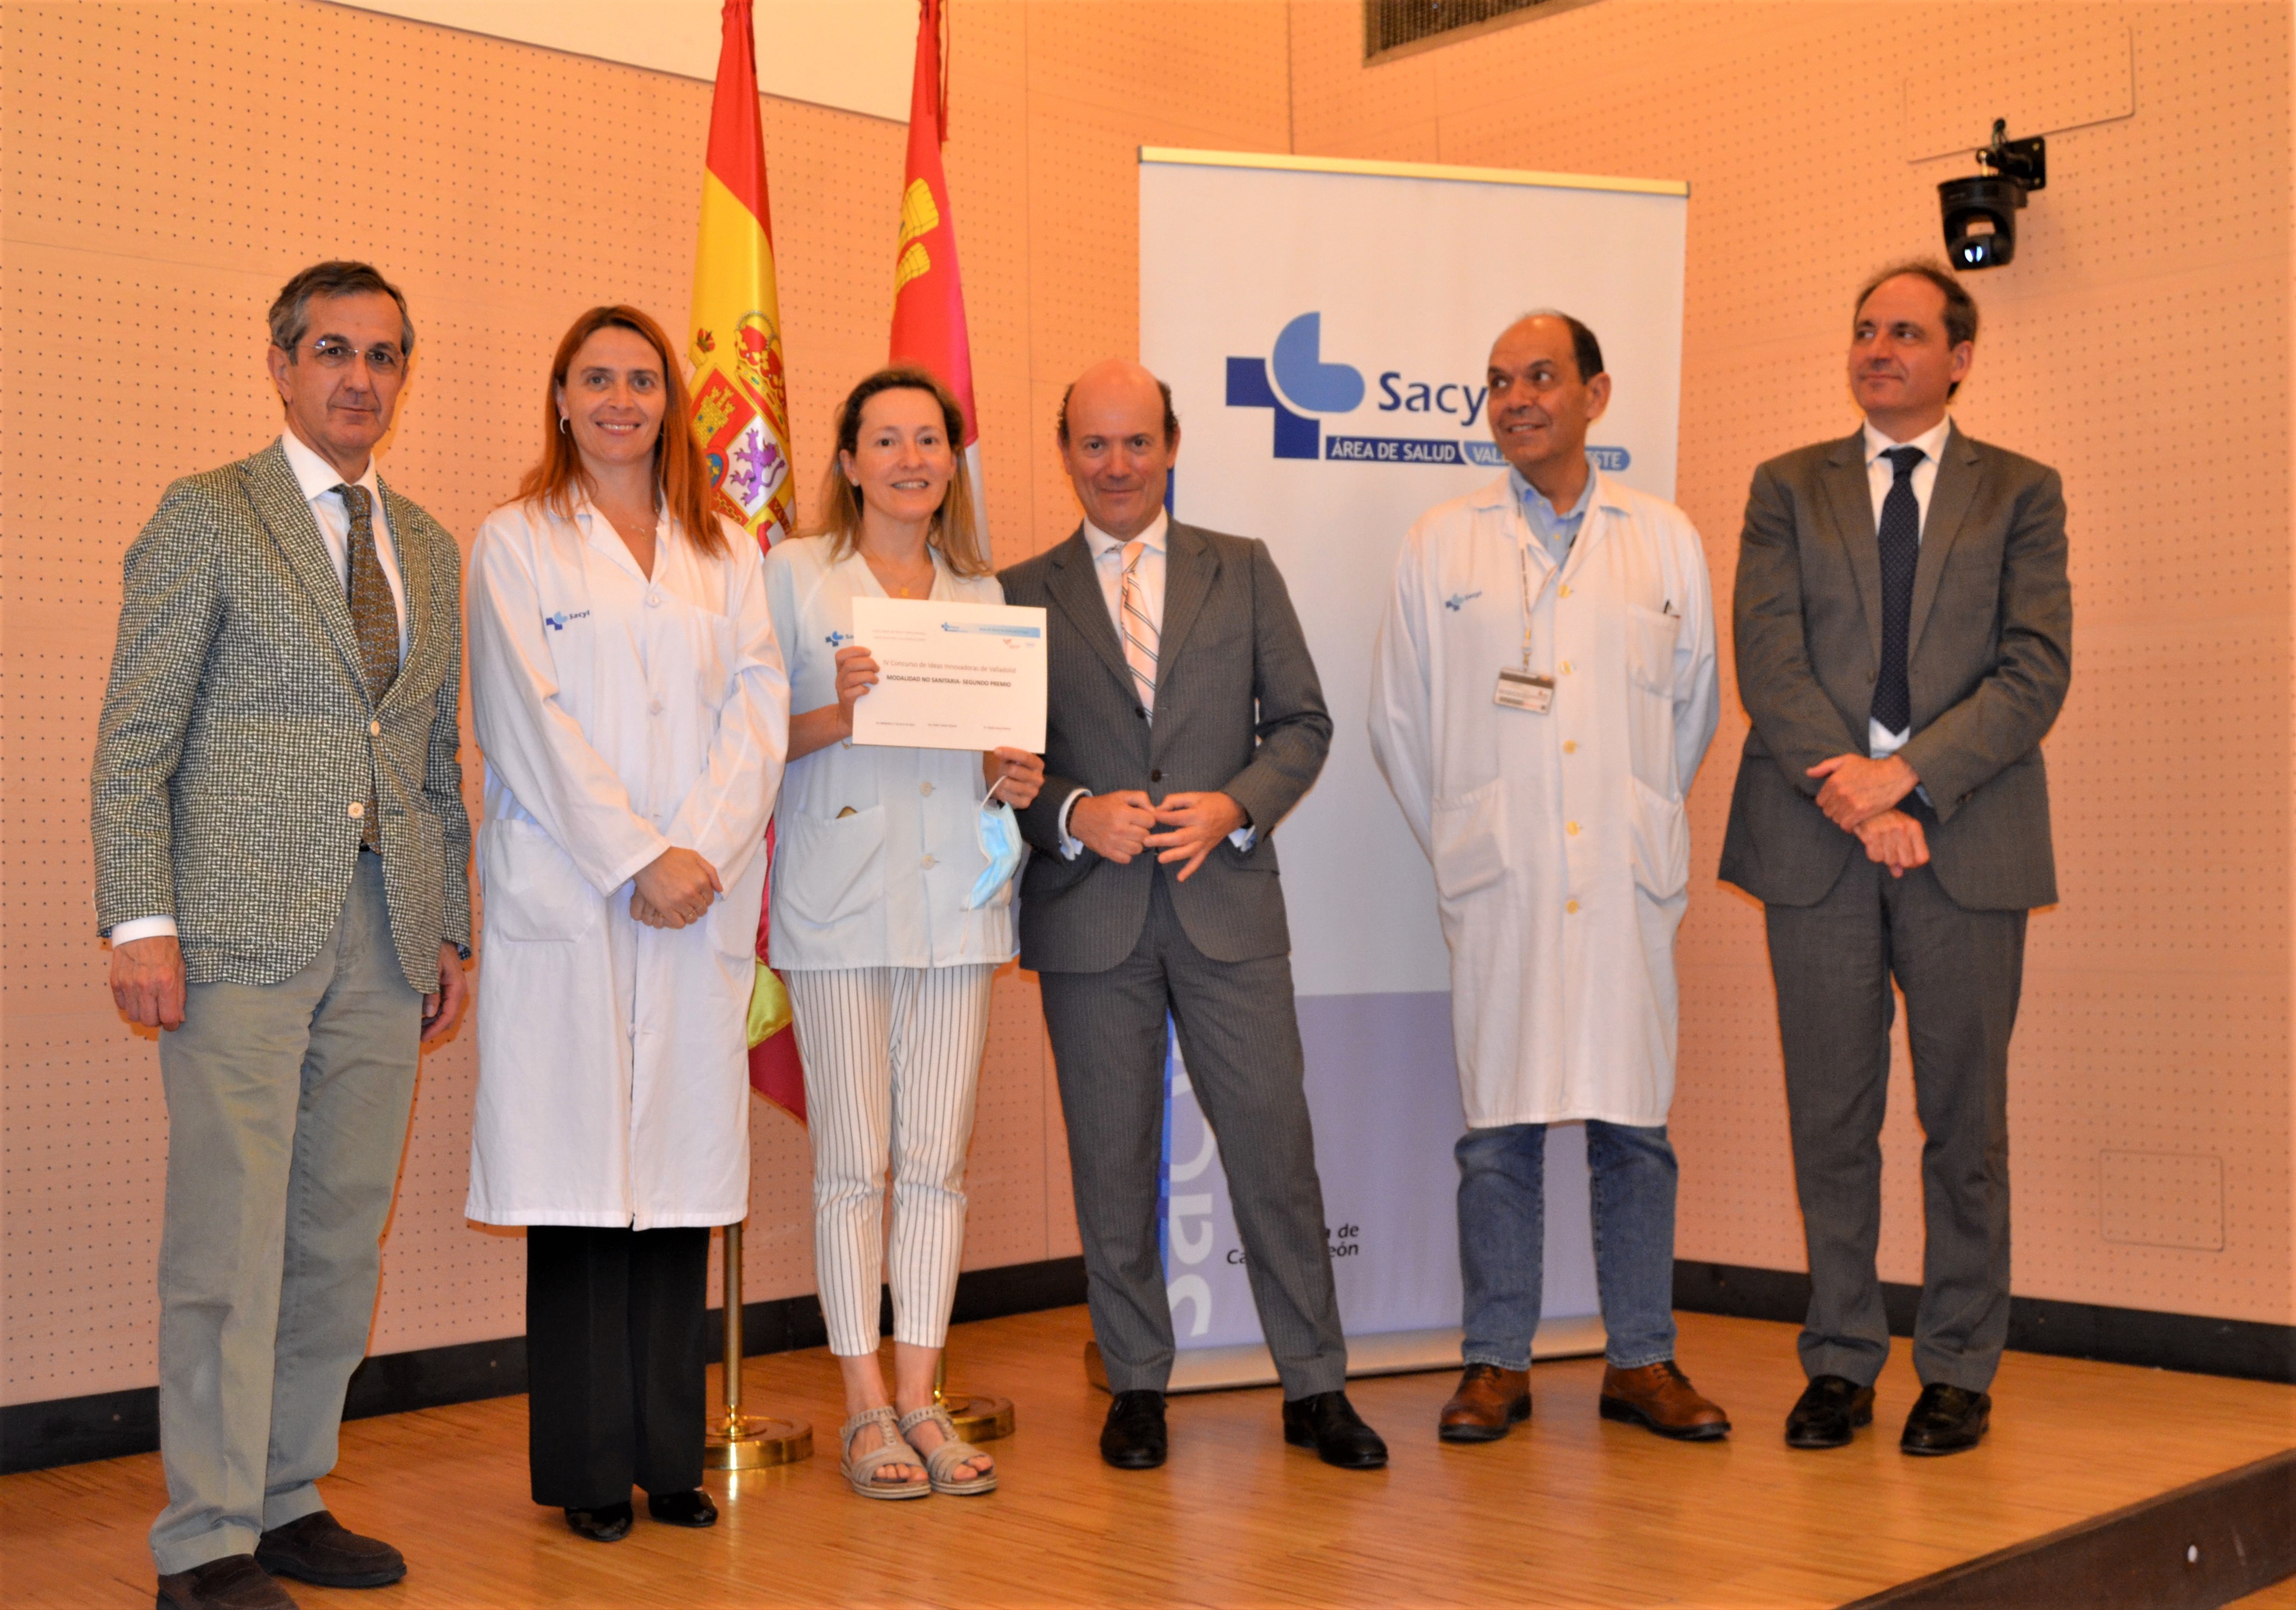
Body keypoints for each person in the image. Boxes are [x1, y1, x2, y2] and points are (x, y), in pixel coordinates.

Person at [91, 260, 471, 1610]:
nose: (359, 377)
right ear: (280, 363)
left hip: (383, 933)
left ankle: (287, 1493)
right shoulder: (207, 515)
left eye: (383, 355)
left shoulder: (426, 546)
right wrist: (141, 920)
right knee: (230, 1243)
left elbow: (431, 759)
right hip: (233, 937)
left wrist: (447, 928)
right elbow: (135, 740)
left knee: (337, 1237)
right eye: (332, 350)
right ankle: (205, 1539)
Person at [999, 358, 1386, 1473]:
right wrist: (1072, 813)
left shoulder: (1244, 568)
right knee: (1110, 1164)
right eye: (1093, 444)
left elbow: (1303, 724)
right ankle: (1135, 1386)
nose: (1116, 465)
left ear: (1171, 446)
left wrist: (1234, 806)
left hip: (1228, 912)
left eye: (1137, 442)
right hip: (1089, 918)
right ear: (1065, 453)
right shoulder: (1014, 594)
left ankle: (1315, 1385)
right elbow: (996, 764)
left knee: (1275, 1152)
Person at [1721, 262, 2071, 1456]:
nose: (1878, 348)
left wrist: (1908, 778)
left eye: (1907, 332)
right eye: (1865, 329)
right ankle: (1839, 1359)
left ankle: (1959, 1366)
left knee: (1965, 1124)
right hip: (1815, 838)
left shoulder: (2021, 491)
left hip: (1967, 838)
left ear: (1958, 358)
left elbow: (2034, 668)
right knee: (1832, 1118)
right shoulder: (1787, 486)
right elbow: (1769, 660)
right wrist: (1859, 795)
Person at [1369, 312, 1727, 1446]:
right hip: (1504, 874)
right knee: (1500, 1131)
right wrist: (1475, 833)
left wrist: (1629, 814)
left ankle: (1642, 1357)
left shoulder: (1664, 537)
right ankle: (1495, 1361)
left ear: (1595, 394)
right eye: (1497, 382)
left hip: (1622, 875)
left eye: (1539, 377)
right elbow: (1399, 721)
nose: (1515, 399)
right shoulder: (1441, 543)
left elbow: (1692, 710)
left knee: (1634, 1128)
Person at [462, 305, 789, 1539]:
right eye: (595, 378)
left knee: (677, 1187)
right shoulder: (516, 543)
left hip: (695, 896)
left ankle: (670, 1457)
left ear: (670, 402)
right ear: (560, 397)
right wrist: (640, 857)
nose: (619, 399)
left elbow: (759, 709)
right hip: (580, 892)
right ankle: (592, 1472)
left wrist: (696, 850)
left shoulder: (725, 551)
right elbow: (525, 721)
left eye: (641, 379)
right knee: (583, 1195)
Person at [763, 366, 1041, 1499]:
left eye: (929, 440)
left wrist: (1010, 774)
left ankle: (923, 1397)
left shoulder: (981, 593)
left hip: (956, 905)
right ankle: (864, 1405)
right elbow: (749, 742)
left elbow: (987, 757)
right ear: (847, 461)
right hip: (838, 903)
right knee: (853, 1162)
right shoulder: (793, 575)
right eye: (885, 440)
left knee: (936, 1161)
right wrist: (839, 709)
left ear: (949, 462)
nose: (909, 460)